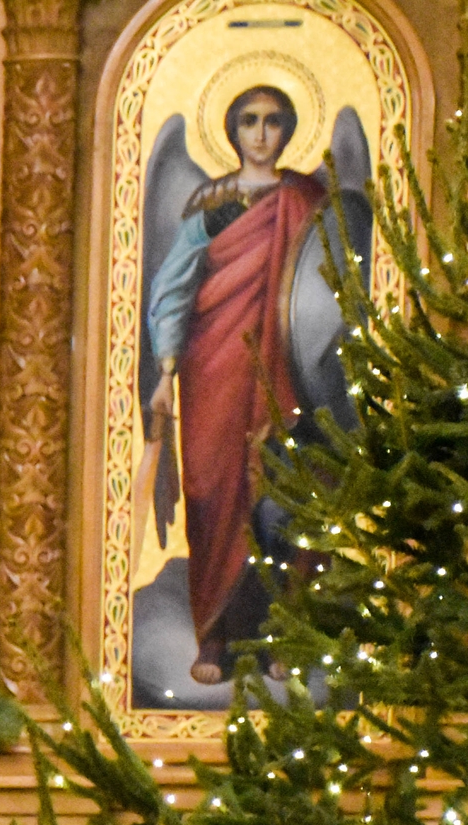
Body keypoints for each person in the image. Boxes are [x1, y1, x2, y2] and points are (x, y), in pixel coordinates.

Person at [144, 85, 327, 684]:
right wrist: (165, 372)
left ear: (288, 129)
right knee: (211, 495)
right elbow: (174, 288)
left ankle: (283, 636)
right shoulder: (213, 202)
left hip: (287, 377)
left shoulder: (307, 200)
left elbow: (329, 284)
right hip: (214, 372)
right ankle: (215, 637)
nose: (261, 133)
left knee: (283, 503)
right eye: (249, 121)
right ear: (232, 130)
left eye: (273, 121)